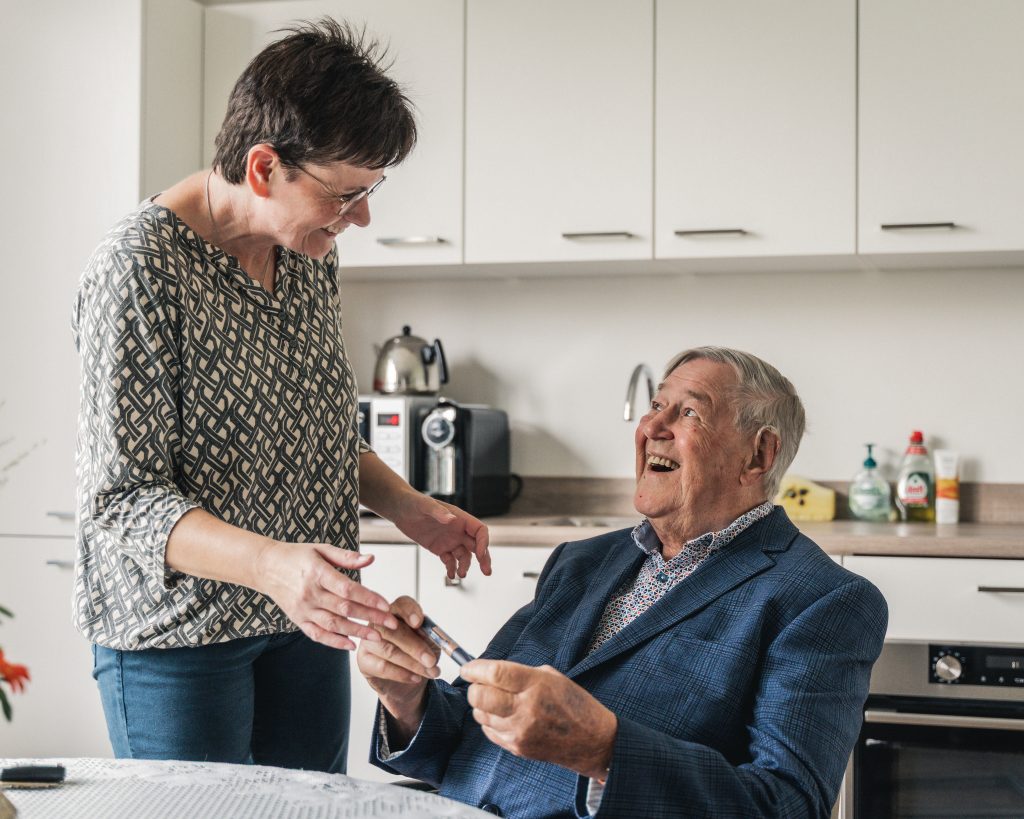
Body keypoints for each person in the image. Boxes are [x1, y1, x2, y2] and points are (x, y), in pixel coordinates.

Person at [72, 19, 489, 773]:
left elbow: (317, 430)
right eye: (346, 193)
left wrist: (410, 506)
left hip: (305, 621)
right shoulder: (139, 268)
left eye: (371, 191)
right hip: (180, 636)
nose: (360, 217)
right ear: (264, 168)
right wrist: (274, 566)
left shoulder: (306, 257)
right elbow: (122, 499)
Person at [358, 346, 888, 818]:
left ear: (758, 455)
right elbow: (472, 729)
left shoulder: (824, 600)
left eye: (689, 413)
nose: (654, 426)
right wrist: (409, 698)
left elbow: (786, 804)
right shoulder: (581, 561)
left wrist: (603, 750)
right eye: (657, 406)